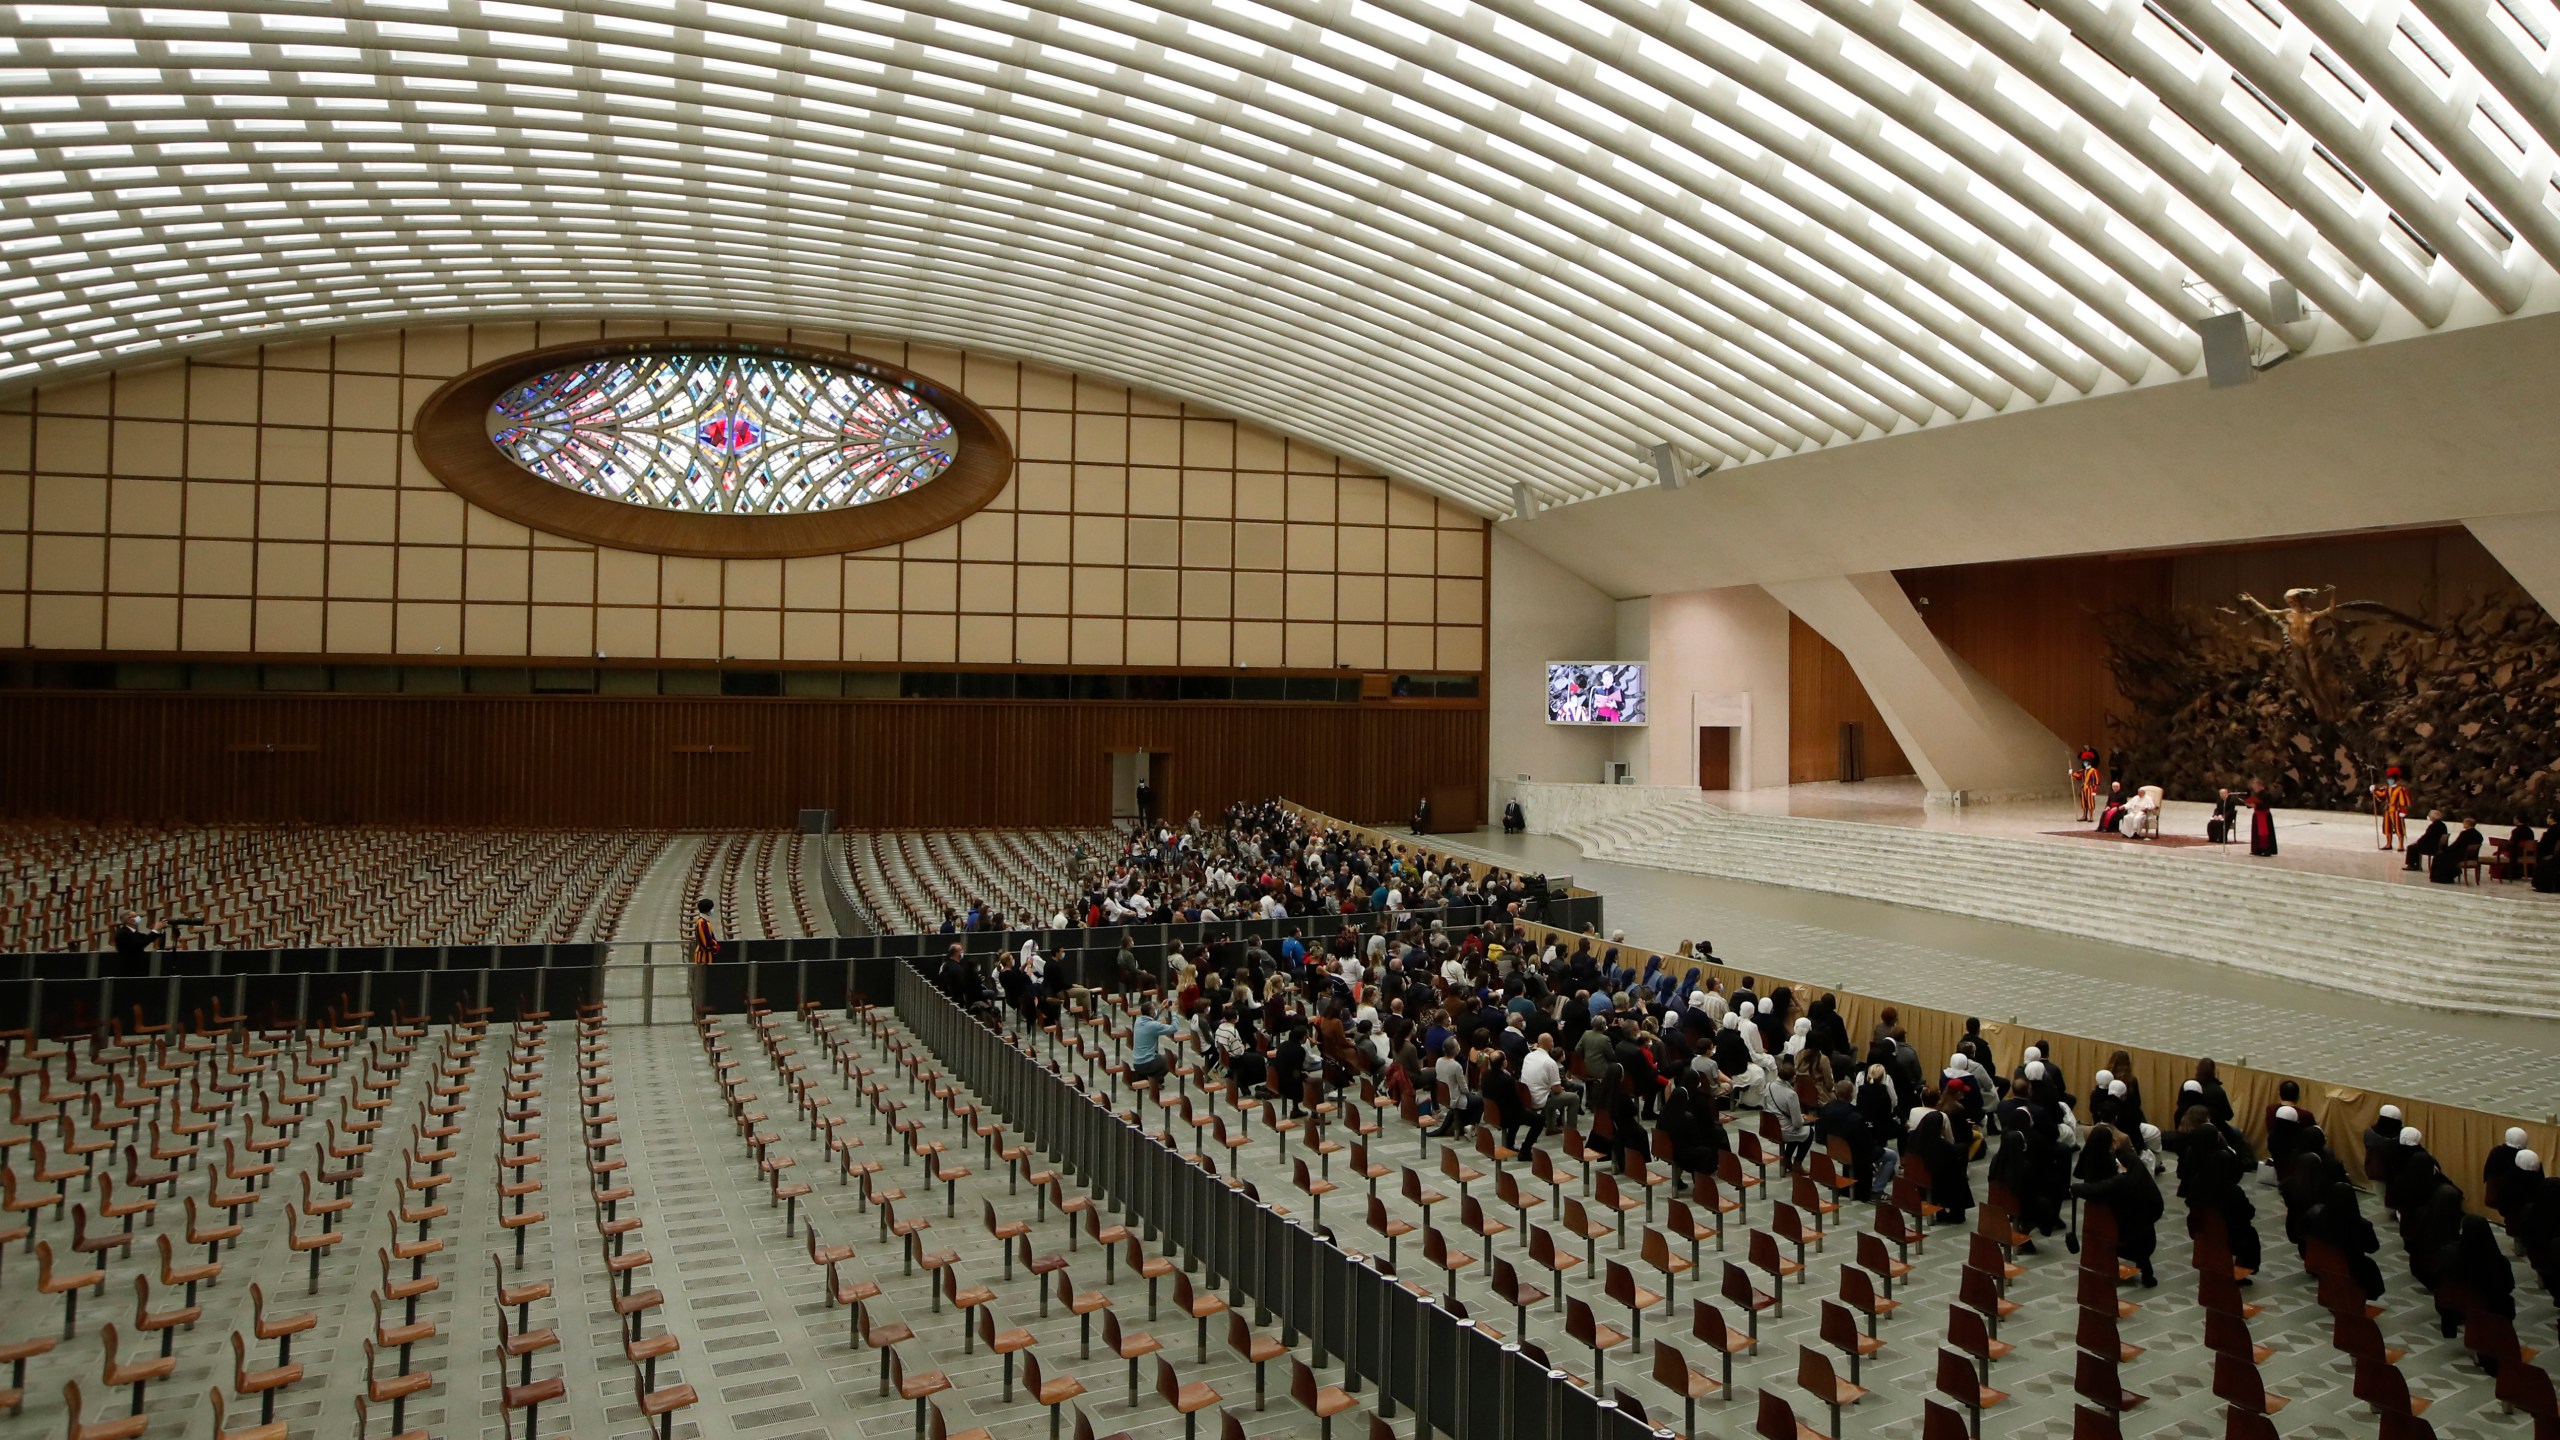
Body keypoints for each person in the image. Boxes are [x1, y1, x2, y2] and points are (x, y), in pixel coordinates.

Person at [2073, 1125, 2163, 1286]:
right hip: (2126, 1215)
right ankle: (2145, 1273)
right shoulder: (2124, 1162)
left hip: (2103, 1213)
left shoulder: (2092, 1157)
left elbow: (2085, 1179)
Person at [1128, 1001, 1188, 1085]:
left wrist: (1160, 1009)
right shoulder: (1153, 1026)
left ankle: (1143, 1076)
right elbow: (1174, 1028)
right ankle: (1155, 1080)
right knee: (1172, 1057)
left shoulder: (1138, 1021)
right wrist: (1174, 1012)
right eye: (1154, 1010)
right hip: (1147, 1063)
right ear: (1152, 1013)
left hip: (1137, 1064)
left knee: (1160, 1057)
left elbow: (1151, 1020)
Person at [2430, 818, 2482, 884]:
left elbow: (2456, 844)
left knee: (2439, 857)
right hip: (2471, 856)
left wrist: (2446, 850)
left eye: (2464, 823)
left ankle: (2440, 878)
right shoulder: (2479, 835)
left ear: (2468, 824)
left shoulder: (2465, 834)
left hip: (2461, 855)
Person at [2372, 766, 2412, 851]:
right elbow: (2382, 795)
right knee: (2387, 827)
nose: (2389, 780)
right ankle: (2388, 843)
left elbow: (2403, 801)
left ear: (2395, 779)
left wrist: (2403, 810)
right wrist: (2374, 790)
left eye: (2391, 779)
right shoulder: (2387, 788)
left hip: (2396, 810)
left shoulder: (2400, 789)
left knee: (2398, 827)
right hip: (2388, 809)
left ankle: (2401, 845)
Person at [2248, 785, 2278, 856]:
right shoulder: (2256, 794)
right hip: (2256, 815)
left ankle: (2266, 850)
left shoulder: (2266, 794)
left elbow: (2267, 805)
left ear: (2261, 786)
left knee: (2264, 833)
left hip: (2264, 815)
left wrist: (2256, 806)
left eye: (2256, 786)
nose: (2254, 788)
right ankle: (2256, 849)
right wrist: (2249, 804)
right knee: (2256, 833)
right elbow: (2252, 802)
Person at [689, 898, 720, 965]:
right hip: (703, 958)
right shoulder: (702, 923)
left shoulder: (704, 922)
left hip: (706, 957)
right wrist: (715, 945)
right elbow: (706, 943)